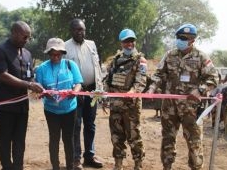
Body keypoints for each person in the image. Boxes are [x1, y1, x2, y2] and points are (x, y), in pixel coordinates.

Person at [147, 23, 219, 170]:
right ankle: (167, 167)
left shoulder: (201, 57)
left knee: (194, 141)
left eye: (183, 38)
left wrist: (200, 90)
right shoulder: (169, 55)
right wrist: (152, 87)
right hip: (169, 107)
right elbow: (159, 74)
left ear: (192, 40)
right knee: (168, 139)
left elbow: (214, 78)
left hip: (191, 110)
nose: (179, 40)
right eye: (178, 37)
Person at [0, 21, 44, 170]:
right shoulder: (0, 50)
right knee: (6, 138)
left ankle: (18, 166)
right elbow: (3, 75)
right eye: (24, 37)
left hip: (22, 104)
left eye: (28, 37)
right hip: (6, 104)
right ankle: (7, 166)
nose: (26, 40)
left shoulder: (27, 53)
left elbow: (30, 76)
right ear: (14, 33)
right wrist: (28, 85)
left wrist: (36, 86)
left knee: (20, 138)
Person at [36, 38, 83, 170]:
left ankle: (70, 166)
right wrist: (45, 92)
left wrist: (75, 91)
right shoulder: (42, 68)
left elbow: (79, 83)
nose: (56, 57)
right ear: (48, 53)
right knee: (54, 139)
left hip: (70, 109)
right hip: (51, 111)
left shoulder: (70, 65)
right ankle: (55, 166)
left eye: (58, 54)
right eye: (52, 54)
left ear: (63, 53)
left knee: (69, 139)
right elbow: (39, 86)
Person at [64, 18, 104, 169]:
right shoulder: (65, 46)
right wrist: (73, 90)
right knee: (76, 125)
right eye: (77, 30)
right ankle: (76, 159)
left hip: (92, 92)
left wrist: (99, 88)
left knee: (90, 124)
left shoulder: (91, 45)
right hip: (75, 92)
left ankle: (90, 156)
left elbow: (97, 67)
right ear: (72, 31)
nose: (80, 32)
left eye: (82, 30)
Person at [104, 29, 147, 170]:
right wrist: (104, 94)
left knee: (134, 137)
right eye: (126, 41)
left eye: (131, 41)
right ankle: (118, 165)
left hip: (131, 107)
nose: (129, 44)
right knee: (116, 137)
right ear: (121, 43)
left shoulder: (140, 60)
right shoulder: (115, 60)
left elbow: (141, 81)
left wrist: (132, 92)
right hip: (115, 105)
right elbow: (108, 80)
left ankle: (138, 165)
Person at [221, 74, 227, 141]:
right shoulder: (225, 88)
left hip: (226, 105)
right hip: (225, 105)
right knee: (225, 117)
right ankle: (225, 128)